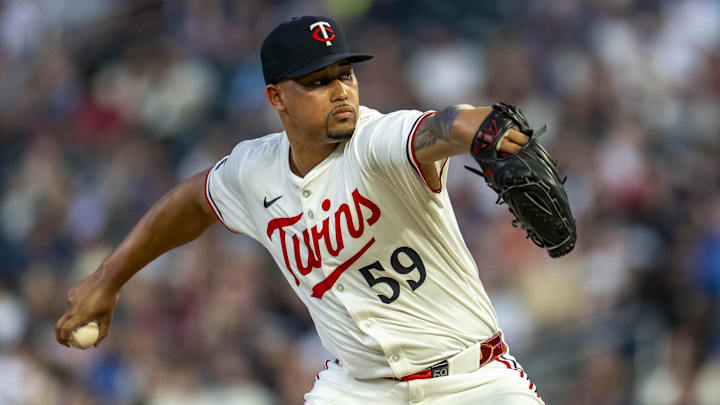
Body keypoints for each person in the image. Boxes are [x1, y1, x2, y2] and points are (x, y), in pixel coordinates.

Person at [56, 15, 544, 404]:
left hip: (472, 378)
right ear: (276, 97)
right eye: (317, 81)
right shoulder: (254, 170)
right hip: (360, 389)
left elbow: (442, 126)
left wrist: (485, 130)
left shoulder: (377, 142)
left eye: (345, 74)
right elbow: (193, 201)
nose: (340, 91)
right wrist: (108, 278)